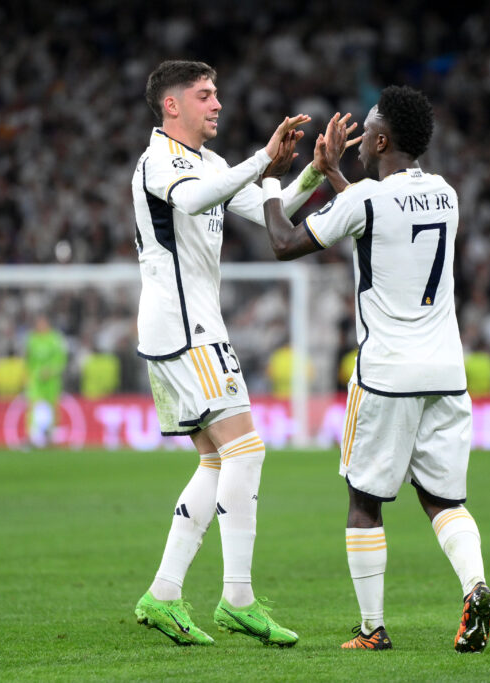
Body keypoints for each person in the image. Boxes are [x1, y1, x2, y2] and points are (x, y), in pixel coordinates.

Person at [260, 86, 490, 653]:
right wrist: (337, 174)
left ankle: (372, 628)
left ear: (384, 139)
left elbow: (284, 242)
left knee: (364, 500)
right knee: (443, 501)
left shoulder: (365, 200)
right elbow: (376, 216)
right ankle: (476, 585)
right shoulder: (446, 194)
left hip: (386, 373)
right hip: (444, 372)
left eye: (365, 131)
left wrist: (273, 180)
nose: (357, 140)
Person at [130, 59, 327, 647]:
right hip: (185, 329)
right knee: (249, 449)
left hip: (190, 329)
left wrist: (313, 172)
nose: (217, 103)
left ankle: (163, 594)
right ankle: (237, 597)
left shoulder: (211, 164)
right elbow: (193, 203)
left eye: (217, 93)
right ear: (173, 105)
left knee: (218, 462)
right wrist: (262, 160)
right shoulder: (159, 160)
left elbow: (275, 211)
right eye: (204, 94)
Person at [24, 315, 68, 447]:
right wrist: (28, 375)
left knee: (52, 407)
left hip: (51, 381)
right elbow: (28, 360)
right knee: (34, 406)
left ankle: (51, 436)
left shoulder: (55, 339)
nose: (41, 326)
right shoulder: (32, 339)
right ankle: (33, 436)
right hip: (36, 380)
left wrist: (51, 371)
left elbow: (61, 360)